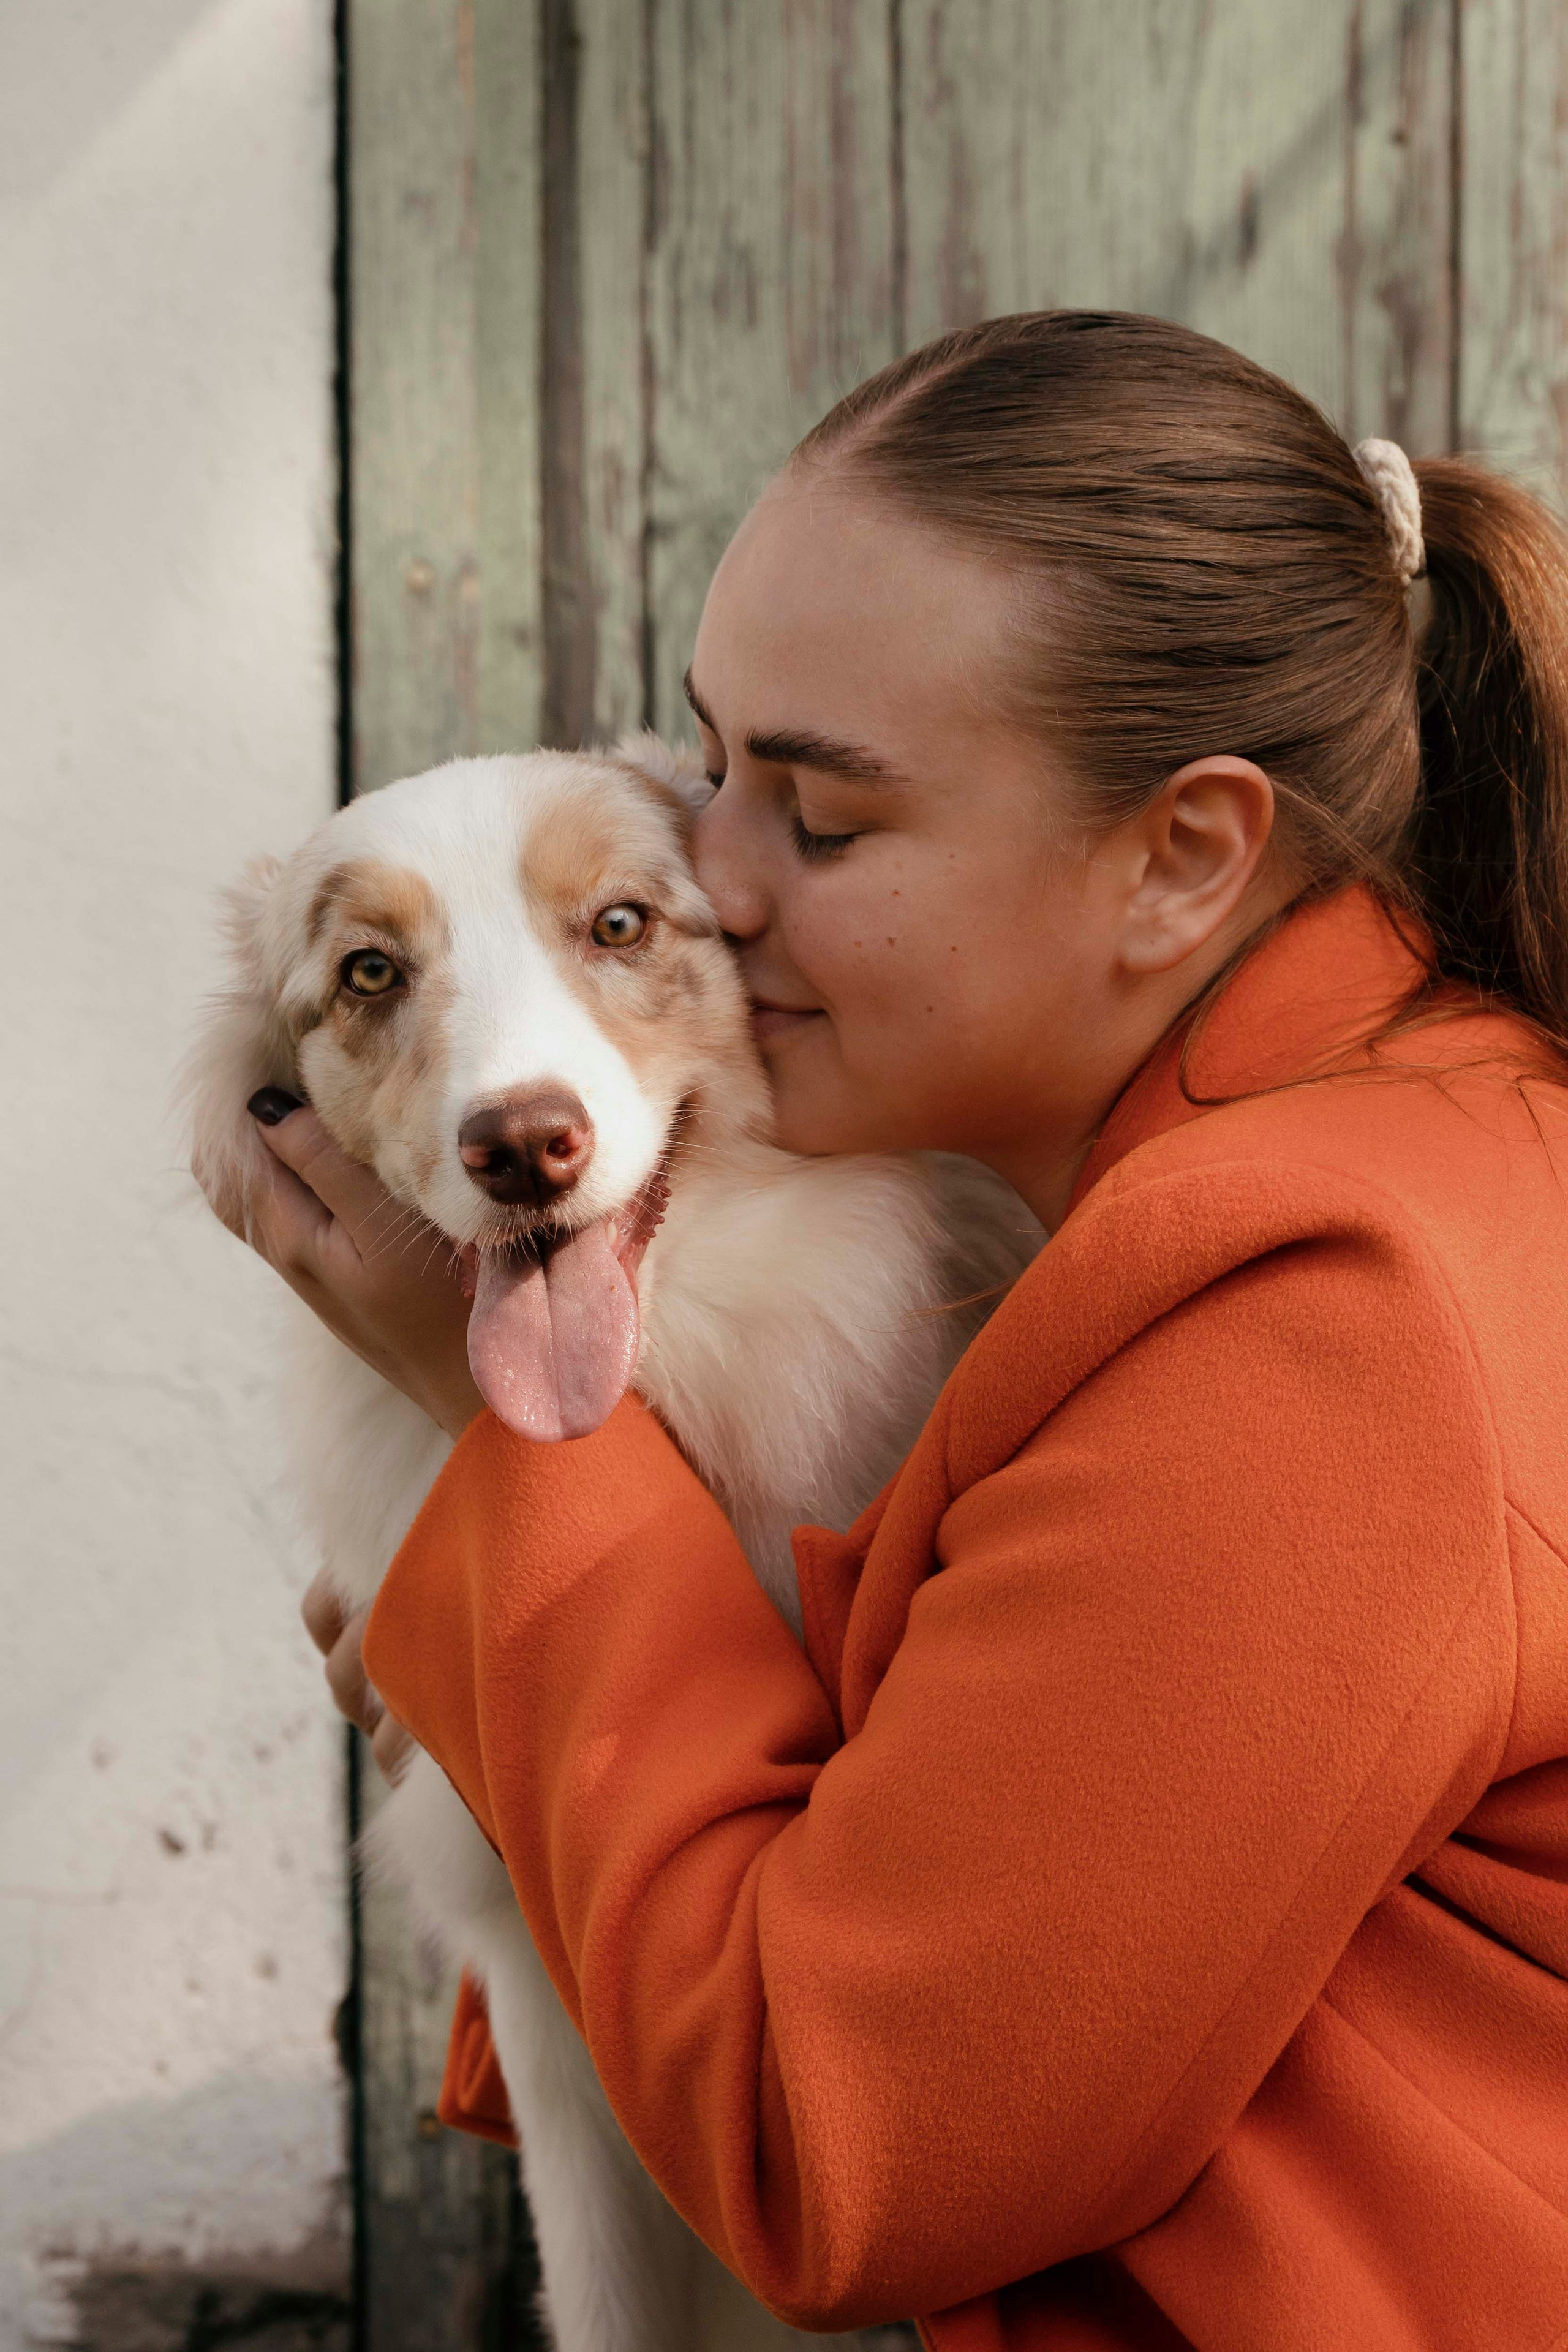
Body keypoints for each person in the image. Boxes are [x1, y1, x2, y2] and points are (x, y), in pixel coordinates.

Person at [229, 313, 1568, 2349]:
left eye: (820, 819)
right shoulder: (1293, 1164)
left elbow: (845, 2145)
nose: (709, 875)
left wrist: (530, 1521)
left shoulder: (1329, 1305)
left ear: (1182, 859)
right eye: (711, 760)